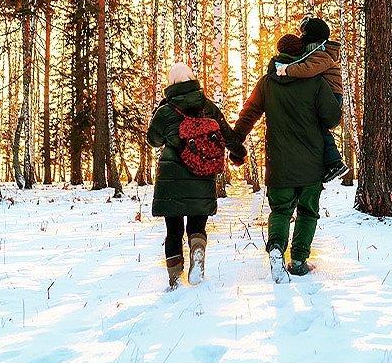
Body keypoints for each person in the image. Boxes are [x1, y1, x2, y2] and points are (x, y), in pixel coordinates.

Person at [235, 34, 343, 282]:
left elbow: (249, 114)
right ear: (302, 53)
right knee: (307, 211)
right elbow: (332, 119)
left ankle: (275, 249)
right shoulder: (315, 82)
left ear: (278, 53)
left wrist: (235, 141)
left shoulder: (266, 83)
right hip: (311, 164)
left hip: (279, 164)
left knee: (281, 211)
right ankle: (298, 260)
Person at [147, 62, 246, 289]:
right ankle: (198, 248)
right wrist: (239, 153)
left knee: (173, 230)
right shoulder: (208, 107)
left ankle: (174, 279)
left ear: (171, 84)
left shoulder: (165, 110)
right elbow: (227, 135)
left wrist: (162, 119)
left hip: (171, 178)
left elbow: (152, 140)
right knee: (196, 226)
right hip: (202, 174)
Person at [275, 16, 349, 182]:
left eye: (304, 36)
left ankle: (335, 162)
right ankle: (328, 162)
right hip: (325, 96)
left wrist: (286, 70)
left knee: (319, 128)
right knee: (316, 128)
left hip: (331, 97)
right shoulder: (318, 52)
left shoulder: (322, 55)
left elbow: (307, 69)